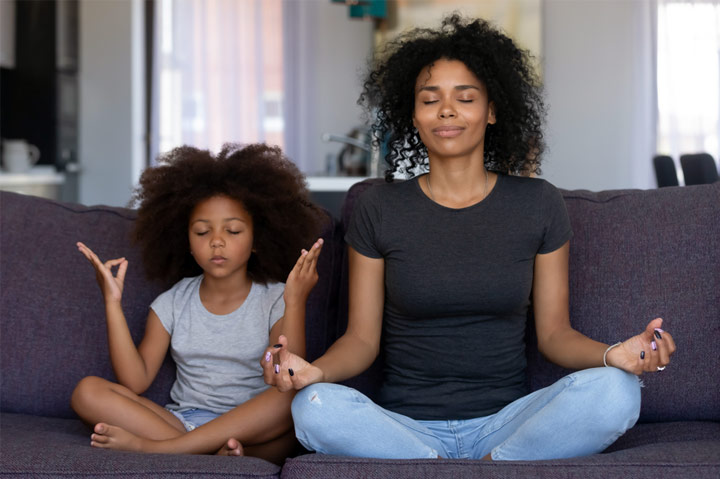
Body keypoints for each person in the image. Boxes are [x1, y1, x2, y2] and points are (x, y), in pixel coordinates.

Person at [263, 15, 677, 461]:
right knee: (312, 406)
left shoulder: (538, 203)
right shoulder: (379, 209)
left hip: (508, 423)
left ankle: (486, 465)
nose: (447, 110)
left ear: (492, 110)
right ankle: (443, 465)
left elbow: (555, 334)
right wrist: (314, 372)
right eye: (430, 99)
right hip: (403, 428)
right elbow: (361, 341)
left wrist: (615, 354)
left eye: (465, 97)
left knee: (618, 390)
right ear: (414, 115)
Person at [70, 143, 326, 464]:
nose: (216, 241)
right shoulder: (173, 302)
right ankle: (217, 453)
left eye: (232, 230)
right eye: (202, 231)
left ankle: (164, 449)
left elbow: (285, 373)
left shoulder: (275, 297)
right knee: (87, 391)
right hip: (183, 422)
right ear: (187, 242)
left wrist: (295, 300)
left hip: (254, 426)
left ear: (257, 239)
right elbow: (135, 381)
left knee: (289, 398)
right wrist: (112, 302)